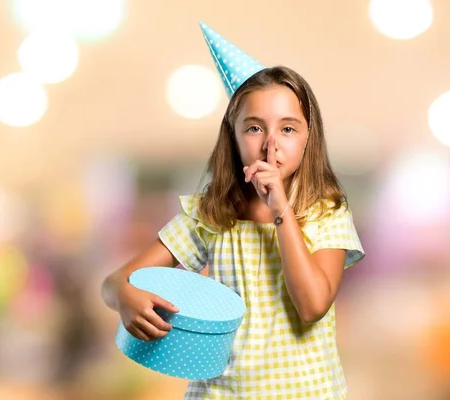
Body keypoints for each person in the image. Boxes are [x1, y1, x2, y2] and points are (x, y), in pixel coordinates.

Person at [102, 21, 365, 399]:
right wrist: (125, 298)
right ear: (233, 135)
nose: (270, 144)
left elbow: (312, 305)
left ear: (309, 137)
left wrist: (280, 209)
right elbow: (114, 283)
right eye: (254, 128)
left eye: (288, 129)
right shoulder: (209, 215)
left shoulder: (326, 212)